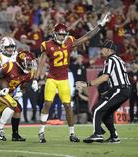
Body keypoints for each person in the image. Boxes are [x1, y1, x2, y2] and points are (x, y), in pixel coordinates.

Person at [32, 12, 111, 143]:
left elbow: (87, 36)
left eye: (64, 35)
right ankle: (41, 131)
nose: (62, 37)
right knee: (47, 104)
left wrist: (101, 24)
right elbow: (41, 63)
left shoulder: (69, 42)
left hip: (63, 79)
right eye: (60, 34)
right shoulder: (47, 44)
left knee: (68, 106)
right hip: (52, 78)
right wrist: (35, 79)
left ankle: (72, 133)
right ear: (54, 33)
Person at [76, 40, 131, 143]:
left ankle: (97, 134)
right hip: (122, 89)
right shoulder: (118, 59)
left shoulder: (110, 60)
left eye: (102, 49)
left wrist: (87, 84)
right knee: (104, 113)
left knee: (97, 110)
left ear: (109, 50)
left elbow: (105, 77)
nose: (101, 51)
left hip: (119, 89)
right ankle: (114, 136)